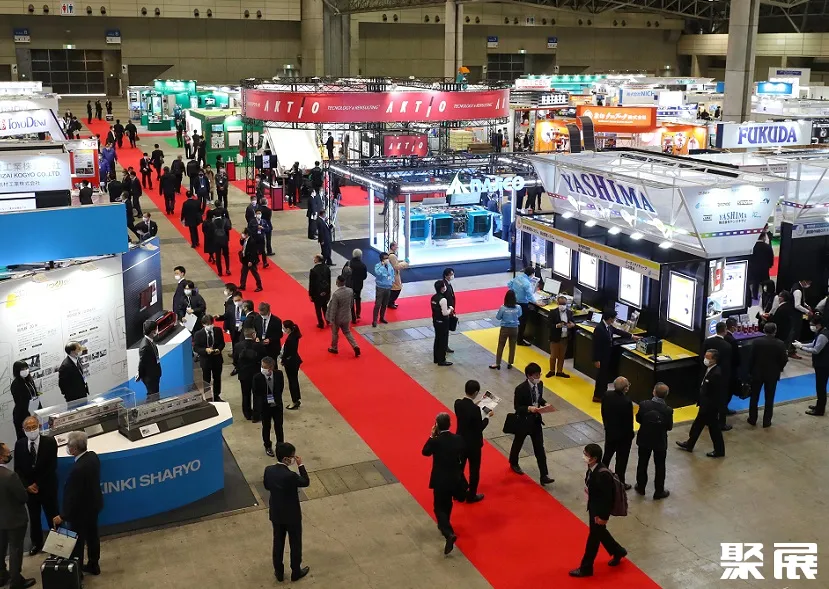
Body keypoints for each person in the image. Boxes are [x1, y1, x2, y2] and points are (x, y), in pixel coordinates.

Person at [569, 443, 628, 578]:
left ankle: (586, 568)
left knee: (593, 539)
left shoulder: (602, 475)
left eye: (586, 454)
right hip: (594, 508)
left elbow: (607, 499)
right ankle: (618, 551)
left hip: (599, 511)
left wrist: (603, 517)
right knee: (600, 533)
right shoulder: (591, 469)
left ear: (594, 458)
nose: (584, 456)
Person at [53, 431, 103, 578]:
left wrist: (63, 516)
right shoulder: (93, 457)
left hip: (80, 512)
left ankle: (77, 570)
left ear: (74, 449)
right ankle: (94, 564)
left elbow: (73, 497)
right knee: (93, 536)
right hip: (94, 506)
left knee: (78, 543)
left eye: (69, 446)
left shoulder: (77, 470)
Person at [264, 442, 310, 582]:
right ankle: (296, 571)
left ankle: (279, 572)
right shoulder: (290, 475)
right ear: (286, 459)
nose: (293, 459)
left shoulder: (268, 470)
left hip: (276, 513)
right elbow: (305, 482)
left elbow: (267, 486)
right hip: (292, 515)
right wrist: (300, 465)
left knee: (278, 542)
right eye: (292, 457)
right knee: (295, 543)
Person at [421, 413, 466, 555]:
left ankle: (448, 532)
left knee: (438, 507)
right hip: (454, 478)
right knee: (448, 504)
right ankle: (445, 523)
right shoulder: (458, 439)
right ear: (450, 424)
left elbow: (425, 452)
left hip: (440, 479)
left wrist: (431, 435)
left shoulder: (436, 441)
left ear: (437, 425)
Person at [15, 416, 58, 556]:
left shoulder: (49, 442)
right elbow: (18, 469)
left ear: (39, 426)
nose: (31, 430)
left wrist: (38, 483)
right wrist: (27, 485)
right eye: (28, 428)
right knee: (34, 518)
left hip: (47, 487)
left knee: (53, 516)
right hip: (30, 491)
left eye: (34, 427)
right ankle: (37, 543)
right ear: (23, 430)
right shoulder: (20, 444)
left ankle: (58, 544)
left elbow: (51, 466)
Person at [508, 363, 554, 485]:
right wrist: (529, 408)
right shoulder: (520, 389)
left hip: (536, 421)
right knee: (518, 442)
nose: (538, 377)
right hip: (523, 421)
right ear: (529, 376)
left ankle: (544, 475)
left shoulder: (540, 384)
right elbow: (517, 407)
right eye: (536, 375)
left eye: (539, 374)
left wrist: (545, 404)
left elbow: (539, 398)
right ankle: (513, 462)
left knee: (539, 448)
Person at [676, 349, 726, 457]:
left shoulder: (716, 374)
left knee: (714, 429)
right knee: (698, 425)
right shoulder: (709, 369)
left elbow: (714, 393)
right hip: (705, 405)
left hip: (709, 408)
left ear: (714, 359)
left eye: (708, 357)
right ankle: (690, 444)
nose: (705, 359)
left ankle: (719, 451)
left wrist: (707, 407)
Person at [0, 442, 36, 589]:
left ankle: (2, 577)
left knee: (1, 549)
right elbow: (23, 497)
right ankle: (16, 582)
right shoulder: (10, 476)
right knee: (15, 551)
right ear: (1, 457)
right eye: (7, 453)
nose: (10, 455)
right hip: (14, 520)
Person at [634, 383, 672, 500]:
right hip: (660, 441)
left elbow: (638, 419)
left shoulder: (644, 404)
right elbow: (669, 427)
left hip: (644, 439)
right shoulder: (668, 410)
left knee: (642, 463)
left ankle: (641, 487)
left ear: (654, 392)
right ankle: (659, 491)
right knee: (660, 466)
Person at [454, 380, 489, 503]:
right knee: (474, 470)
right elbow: (479, 427)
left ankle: (457, 492)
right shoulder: (475, 410)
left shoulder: (458, 403)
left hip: (460, 441)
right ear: (475, 392)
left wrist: (477, 403)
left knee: (459, 468)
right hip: (473, 444)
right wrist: (487, 418)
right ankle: (471, 495)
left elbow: (468, 409)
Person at [748, 322, 788, 427]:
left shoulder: (756, 342)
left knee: (754, 397)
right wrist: (779, 369)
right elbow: (784, 359)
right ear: (775, 331)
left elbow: (751, 358)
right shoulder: (780, 344)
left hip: (757, 373)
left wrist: (750, 371)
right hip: (772, 374)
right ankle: (767, 421)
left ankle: (752, 419)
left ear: (764, 330)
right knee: (769, 398)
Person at [601, 377, 634, 490]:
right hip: (623, 436)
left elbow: (603, 412)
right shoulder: (626, 402)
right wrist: (630, 435)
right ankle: (620, 482)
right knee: (621, 460)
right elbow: (628, 421)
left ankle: (601, 476)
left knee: (607, 455)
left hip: (610, 432)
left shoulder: (607, 395)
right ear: (626, 388)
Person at [591, 310, 631, 403]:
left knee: (604, 377)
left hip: (606, 356)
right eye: (614, 318)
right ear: (610, 319)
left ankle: (603, 394)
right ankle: (597, 396)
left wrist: (631, 336)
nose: (614, 320)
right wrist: (596, 360)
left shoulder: (608, 326)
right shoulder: (599, 329)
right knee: (601, 377)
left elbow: (617, 331)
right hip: (601, 358)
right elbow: (595, 346)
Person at [702, 322, 733, 431]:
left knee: (707, 397)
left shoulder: (707, 341)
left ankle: (706, 419)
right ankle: (721, 423)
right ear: (725, 330)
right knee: (722, 400)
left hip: (708, 374)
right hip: (722, 377)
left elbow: (702, 358)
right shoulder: (727, 346)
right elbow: (727, 364)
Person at [796, 316, 829, 417]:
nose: (811, 326)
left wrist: (802, 348)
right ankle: (819, 406)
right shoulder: (820, 332)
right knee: (820, 386)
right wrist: (802, 344)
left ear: (818, 325)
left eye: (812, 324)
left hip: (823, 364)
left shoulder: (823, 335)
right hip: (821, 363)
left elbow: (816, 350)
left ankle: (820, 410)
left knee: (821, 387)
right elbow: (813, 344)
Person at [253, 357, 285, 456]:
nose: (262, 368)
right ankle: (267, 446)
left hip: (277, 406)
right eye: (262, 366)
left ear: (271, 368)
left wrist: (275, 398)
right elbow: (256, 392)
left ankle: (280, 446)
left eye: (264, 367)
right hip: (265, 407)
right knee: (266, 427)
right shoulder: (257, 377)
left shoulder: (279, 374)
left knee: (279, 426)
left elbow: (281, 388)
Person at [234, 327, 265, 420]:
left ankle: (247, 414)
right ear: (253, 335)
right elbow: (264, 359)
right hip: (256, 374)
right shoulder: (259, 346)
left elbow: (235, 360)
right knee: (257, 395)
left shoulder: (238, 346)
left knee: (245, 394)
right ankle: (256, 415)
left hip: (243, 375)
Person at [326, 276, 361, 357]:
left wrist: (331, 320)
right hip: (347, 316)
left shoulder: (336, 294)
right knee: (347, 332)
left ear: (338, 282)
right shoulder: (350, 291)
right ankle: (355, 346)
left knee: (335, 333)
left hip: (337, 318)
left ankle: (334, 348)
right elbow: (351, 304)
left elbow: (334, 308)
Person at [193, 315, 225, 401]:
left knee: (217, 378)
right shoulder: (198, 334)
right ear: (203, 324)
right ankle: (208, 397)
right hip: (206, 360)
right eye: (207, 324)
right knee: (206, 380)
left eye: (211, 323)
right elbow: (196, 348)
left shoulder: (218, 330)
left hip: (217, 359)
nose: (210, 326)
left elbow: (222, 343)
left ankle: (217, 396)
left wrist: (219, 349)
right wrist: (205, 350)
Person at [489, 290, 522, 370]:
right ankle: (510, 363)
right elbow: (520, 314)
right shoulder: (518, 307)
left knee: (501, 345)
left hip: (505, 328)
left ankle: (498, 363)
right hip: (514, 328)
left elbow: (498, 317)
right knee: (512, 346)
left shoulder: (503, 308)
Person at [547, 294, 574, 378]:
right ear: (557, 303)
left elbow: (573, 322)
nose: (562, 306)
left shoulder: (569, 313)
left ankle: (559, 371)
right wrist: (556, 326)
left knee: (562, 356)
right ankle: (552, 371)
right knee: (553, 356)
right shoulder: (552, 312)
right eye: (561, 304)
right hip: (555, 337)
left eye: (564, 304)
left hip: (564, 337)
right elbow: (548, 325)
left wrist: (572, 325)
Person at [10, 361, 39, 440]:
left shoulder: (29, 380)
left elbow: (35, 394)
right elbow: (20, 402)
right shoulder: (15, 384)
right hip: (22, 415)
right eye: (22, 369)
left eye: (26, 368)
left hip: (33, 411)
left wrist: (38, 409)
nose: (25, 370)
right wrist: (29, 413)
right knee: (24, 438)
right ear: (17, 371)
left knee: (35, 435)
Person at [508, 267, 535, 345]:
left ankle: (513, 336)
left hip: (514, 301)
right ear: (532, 274)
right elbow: (530, 296)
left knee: (516, 320)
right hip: (523, 304)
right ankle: (519, 340)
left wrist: (515, 292)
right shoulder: (527, 283)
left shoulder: (518, 277)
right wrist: (537, 302)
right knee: (522, 322)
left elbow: (509, 284)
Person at [431, 280, 455, 367]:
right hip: (443, 322)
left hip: (436, 321)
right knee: (443, 341)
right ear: (442, 288)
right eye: (444, 286)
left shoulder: (433, 297)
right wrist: (450, 309)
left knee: (437, 339)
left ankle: (436, 358)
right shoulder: (443, 299)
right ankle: (442, 360)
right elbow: (445, 313)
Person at [137, 320, 162, 401]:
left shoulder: (150, 341)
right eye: (156, 328)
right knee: (152, 396)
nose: (157, 330)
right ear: (152, 331)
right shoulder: (145, 346)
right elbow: (142, 363)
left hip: (154, 375)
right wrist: (140, 374)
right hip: (150, 377)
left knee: (155, 395)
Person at [281, 321, 303, 410]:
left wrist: (283, 360)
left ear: (288, 329)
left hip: (291, 362)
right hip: (295, 361)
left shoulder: (290, 339)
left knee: (292, 382)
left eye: (284, 328)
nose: (283, 330)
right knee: (294, 380)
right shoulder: (294, 336)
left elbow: (287, 353)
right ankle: (296, 399)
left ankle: (294, 401)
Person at [309, 254, 331, 329]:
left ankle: (321, 323)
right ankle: (328, 320)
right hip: (325, 291)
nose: (314, 259)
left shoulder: (313, 270)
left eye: (315, 258)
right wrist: (328, 291)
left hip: (317, 293)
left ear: (317, 260)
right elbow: (329, 281)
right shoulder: (327, 268)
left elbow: (311, 284)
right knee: (325, 307)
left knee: (318, 308)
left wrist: (310, 294)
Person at [372, 252, 395, 327]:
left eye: (387, 258)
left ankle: (382, 317)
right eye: (385, 258)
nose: (387, 259)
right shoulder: (378, 266)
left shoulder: (389, 265)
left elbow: (392, 273)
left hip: (388, 287)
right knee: (378, 304)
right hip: (380, 287)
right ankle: (374, 320)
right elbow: (378, 273)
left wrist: (392, 281)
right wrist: (382, 266)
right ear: (381, 259)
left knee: (385, 304)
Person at [346, 249, 367, 323]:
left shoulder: (348, 263)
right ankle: (358, 313)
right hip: (358, 284)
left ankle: (353, 316)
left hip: (349, 284)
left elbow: (344, 273)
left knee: (350, 300)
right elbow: (364, 276)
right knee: (358, 298)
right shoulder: (363, 265)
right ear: (360, 256)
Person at [239, 228, 264, 293]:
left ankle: (259, 286)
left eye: (243, 233)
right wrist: (241, 239)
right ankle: (242, 285)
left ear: (247, 234)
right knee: (243, 273)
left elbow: (253, 252)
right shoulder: (245, 239)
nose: (242, 234)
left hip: (250, 261)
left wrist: (251, 261)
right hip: (245, 260)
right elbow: (243, 244)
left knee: (254, 273)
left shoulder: (252, 241)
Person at [212, 209, 232, 277]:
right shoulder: (225, 220)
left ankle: (220, 271)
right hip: (224, 239)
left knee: (218, 256)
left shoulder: (213, 221)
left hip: (216, 240)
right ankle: (227, 269)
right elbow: (229, 227)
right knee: (226, 255)